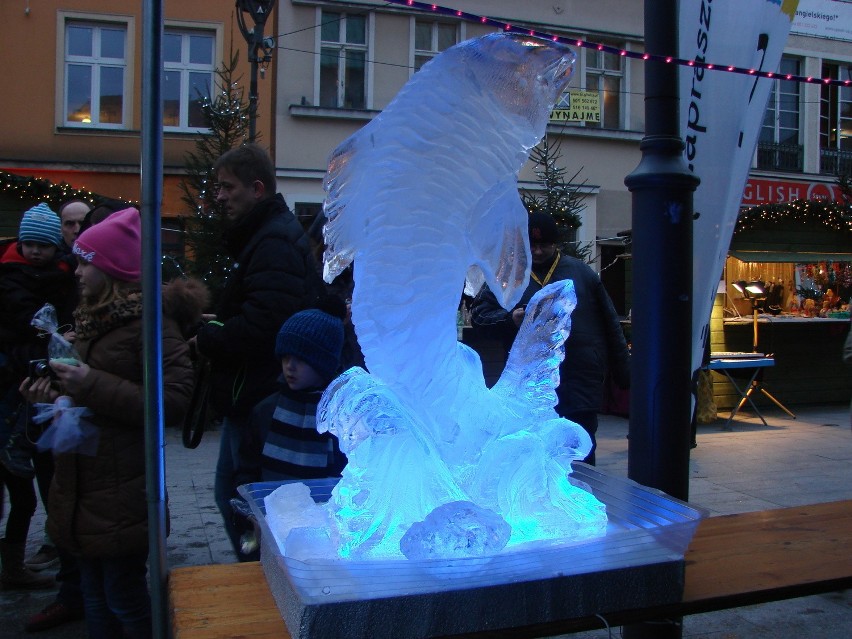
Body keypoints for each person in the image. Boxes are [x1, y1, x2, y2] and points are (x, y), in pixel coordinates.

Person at [20, 207, 196, 639]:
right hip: (83, 484)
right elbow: (89, 394)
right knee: (96, 597)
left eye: (85, 262)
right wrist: (53, 397)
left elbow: (173, 400)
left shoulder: (151, 325)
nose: (76, 272)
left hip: (123, 490)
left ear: (112, 269)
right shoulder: (89, 319)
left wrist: (88, 382)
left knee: (124, 598)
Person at [192, 143, 321, 558]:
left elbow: (266, 325)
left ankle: (262, 583)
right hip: (252, 391)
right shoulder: (265, 237)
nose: (220, 196)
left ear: (258, 188)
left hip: (256, 392)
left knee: (243, 502)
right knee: (234, 498)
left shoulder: (273, 242)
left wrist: (209, 337)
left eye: (228, 187)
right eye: (218, 187)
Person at [470, 212, 630, 465]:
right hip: (528, 385)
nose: (538, 251)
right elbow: (479, 317)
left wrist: (624, 372)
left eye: (544, 245)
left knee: (580, 448)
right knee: (532, 450)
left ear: (556, 244)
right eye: (532, 246)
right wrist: (510, 319)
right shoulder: (509, 277)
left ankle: (583, 497)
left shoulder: (582, 274)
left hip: (579, 377)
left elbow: (610, 323)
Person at [232, 301, 348, 558]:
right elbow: (246, 471)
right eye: (285, 357)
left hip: (321, 536)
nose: (290, 366)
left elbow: (345, 477)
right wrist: (251, 515)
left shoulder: (338, 418)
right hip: (268, 528)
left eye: (301, 359)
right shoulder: (266, 411)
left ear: (322, 363)